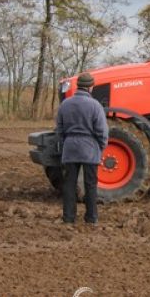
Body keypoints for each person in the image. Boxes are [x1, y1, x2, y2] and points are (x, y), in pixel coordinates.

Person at [56, 72, 108, 225]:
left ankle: (68, 218)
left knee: (69, 184)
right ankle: (91, 218)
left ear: (78, 86)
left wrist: (65, 142)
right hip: (89, 149)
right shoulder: (95, 105)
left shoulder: (65, 104)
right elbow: (102, 131)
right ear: (91, 87)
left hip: (70, 148)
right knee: (90, 185)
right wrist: (101, 146)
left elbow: (59, 129)